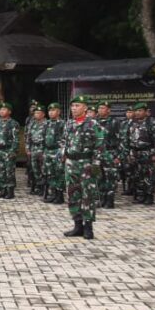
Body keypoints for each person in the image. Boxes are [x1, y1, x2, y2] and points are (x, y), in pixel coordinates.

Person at [60, 95, 102, 239]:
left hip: (86, 164)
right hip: (71, 164)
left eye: (77, 105)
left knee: (87, 195)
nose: (74, 108)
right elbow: (64, 141)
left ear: (85, 108)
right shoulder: (69, 124)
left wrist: (95, 164)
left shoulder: (93, 124)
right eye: (72, 106)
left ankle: (88, 227)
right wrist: (63, 155)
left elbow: (99, 146)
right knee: (73, 194)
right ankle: (77, 225)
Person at [128, 102, 155, 205]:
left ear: (146, 112)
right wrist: (130, 153)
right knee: (138, 175)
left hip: (148, 152)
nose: (137, 113)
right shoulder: (133, 123)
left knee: (149, 175)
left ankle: (149, 196)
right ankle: (141, 196)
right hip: (136, 153)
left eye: (140, 111)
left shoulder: (152, 123)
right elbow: (129, 140)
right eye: (136, 111)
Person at [0, 102, 19, 199]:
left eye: (4, 110)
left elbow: (16, 139)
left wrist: (13, 151)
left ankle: (10, 191)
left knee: (9, 172)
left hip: (8, 151)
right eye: (1, 110)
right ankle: (3, 190)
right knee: (0, 172)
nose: (1, 111)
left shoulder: (13, 123)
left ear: (9, 112)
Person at [95, 101, 119, 208]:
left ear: (108, 110)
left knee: (110, 177)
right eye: (99, 108)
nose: (100, 110)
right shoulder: (94, 122)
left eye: (103, 108)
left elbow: (122, 140)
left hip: (110, 153)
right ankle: (102, 198)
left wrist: (118, 156)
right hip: (97, 154)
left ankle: (110, 200)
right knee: (99, 177)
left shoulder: (115, 122)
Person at [43, 103, 66, 204]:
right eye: (50, 111)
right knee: (50, 173)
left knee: (59, 173)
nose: (51, 112)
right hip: (48, 151)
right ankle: (53, 194)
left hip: (57, 151)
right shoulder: (46, 123)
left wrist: (63, 153)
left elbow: (65, 139)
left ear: (59, 112)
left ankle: (60, 196)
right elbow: (44, 138)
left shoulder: (62, 123)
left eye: (53, 110)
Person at [26, 105, 47, 196]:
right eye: (35, 113)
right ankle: (38, 186)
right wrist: (27, 148)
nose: (36, 114)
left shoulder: (47, 124)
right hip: (33, 149)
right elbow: (28, 137)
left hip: (42, 149)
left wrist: (45, 151)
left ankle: (44, 188)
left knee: (43, 169)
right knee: (35, 169)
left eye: (38, 113)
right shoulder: (32, 124)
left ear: (43, 114)